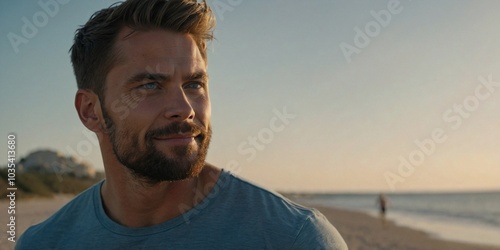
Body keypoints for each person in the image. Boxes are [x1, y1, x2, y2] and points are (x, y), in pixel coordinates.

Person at [16, 0, 347, 249]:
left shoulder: (295, 239)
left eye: (194, 84)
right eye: (150, 85)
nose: (184, 109)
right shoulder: (44, 243)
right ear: (90, 111)